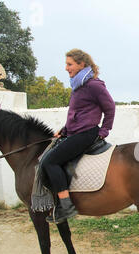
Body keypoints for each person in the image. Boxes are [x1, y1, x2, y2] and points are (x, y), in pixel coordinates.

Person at [42, 49, 116, 223]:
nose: (66, 68)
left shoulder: (93, 85)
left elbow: (110, 108)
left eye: (70, 64)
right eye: (66, 64)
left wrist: (104, 131)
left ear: (81, 64)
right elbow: (78, 114)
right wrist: (64, 130)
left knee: (50, 162)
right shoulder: (78, 85)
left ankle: (66, 207)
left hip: (86, 134)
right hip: (75, 133)